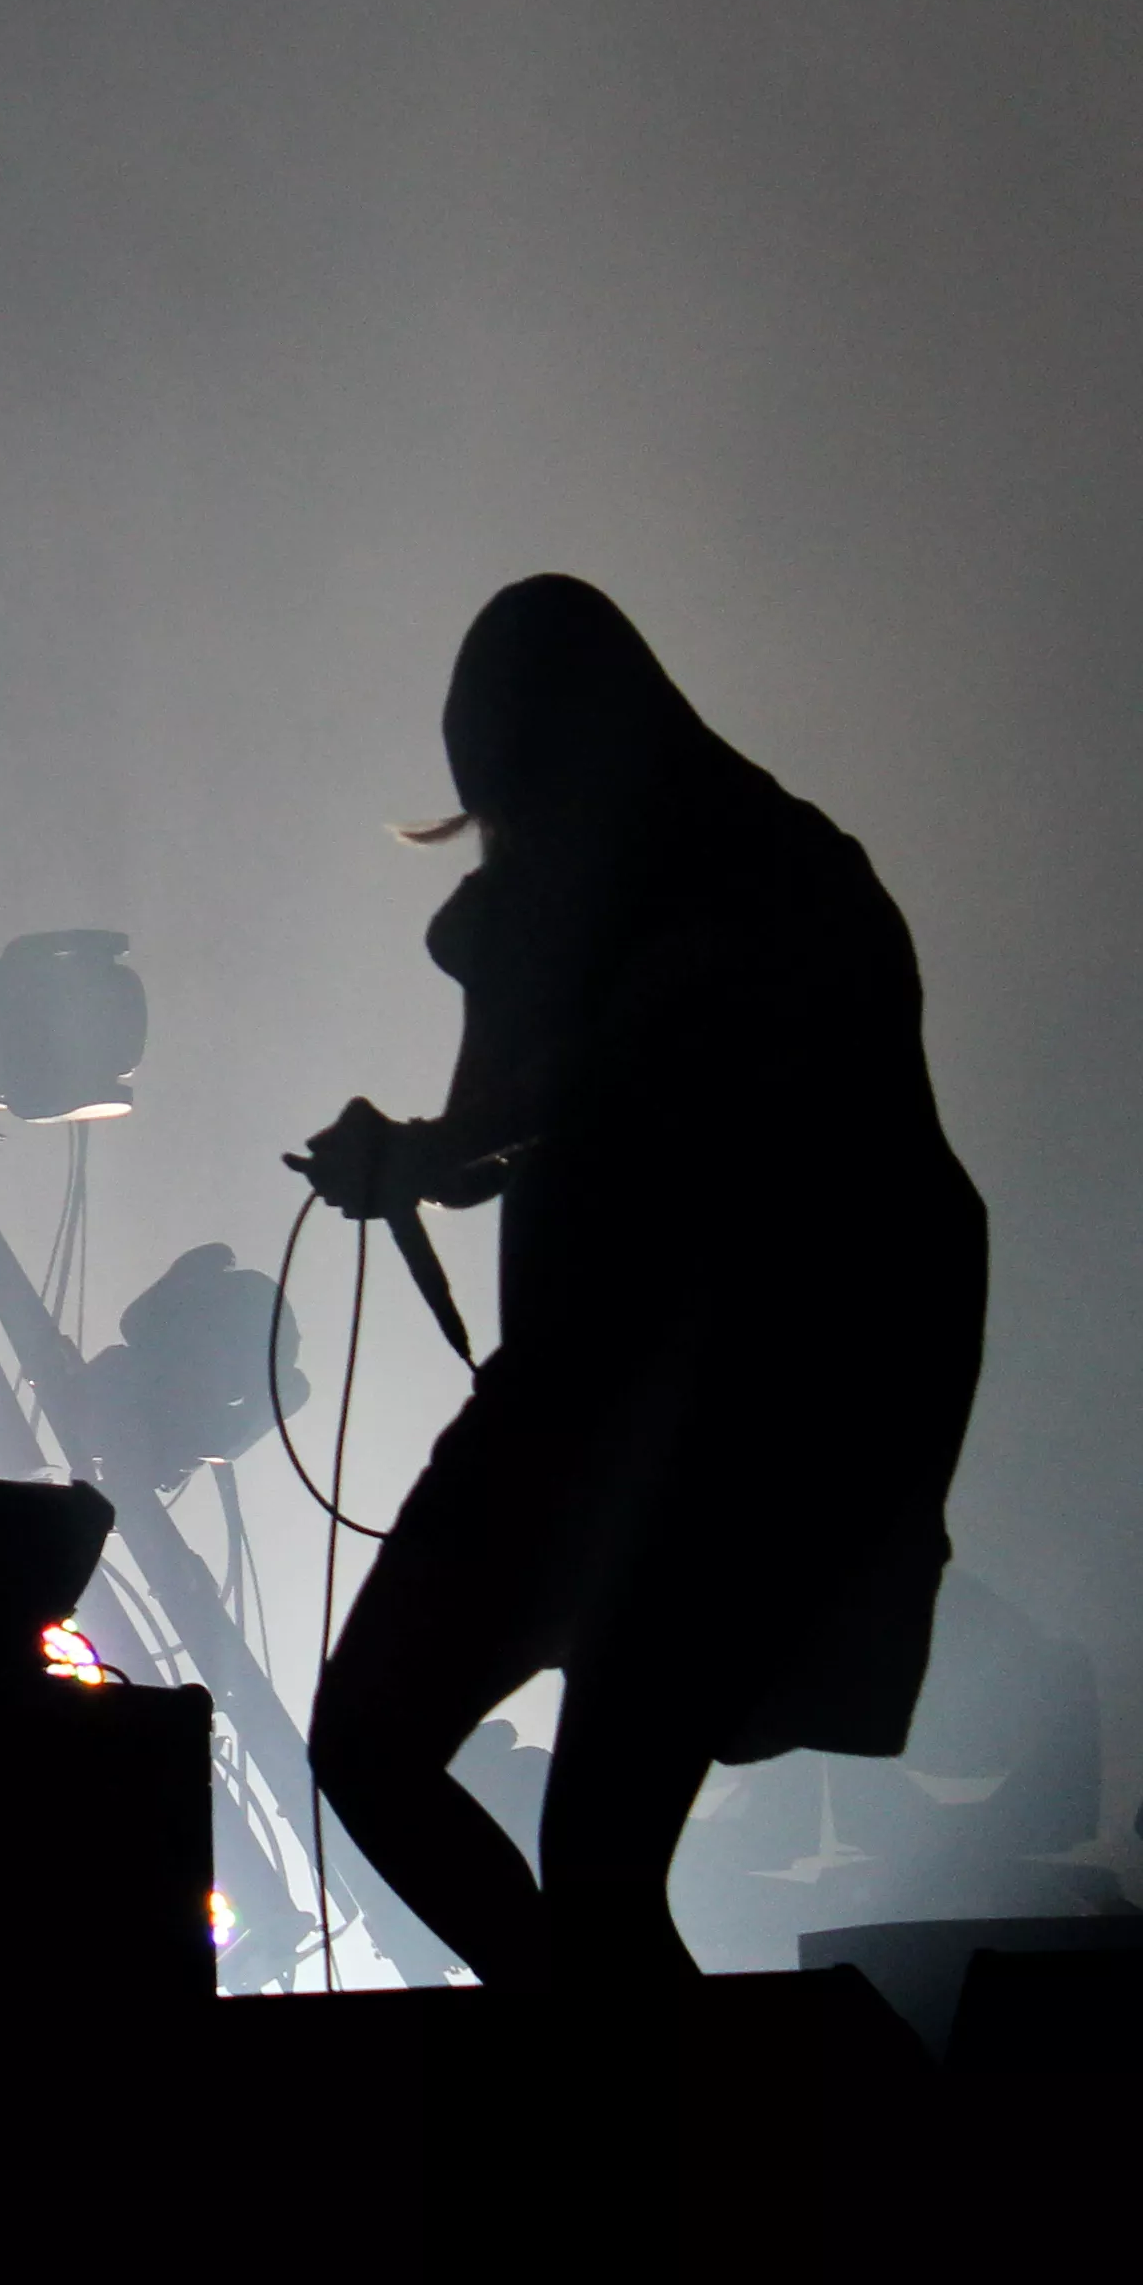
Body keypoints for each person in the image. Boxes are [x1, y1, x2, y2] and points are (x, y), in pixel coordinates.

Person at [291, 576, 987, 1990]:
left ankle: (629, 2107)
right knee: (403, 1766)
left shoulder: (780, 879)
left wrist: (430, 1148)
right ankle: (623, 2082)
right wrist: (416, 1154)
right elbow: (502, 1121)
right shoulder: (597, 894)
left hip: (748, 1422)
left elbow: (633, 1064)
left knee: (577, 1850)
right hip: (589, 1405)